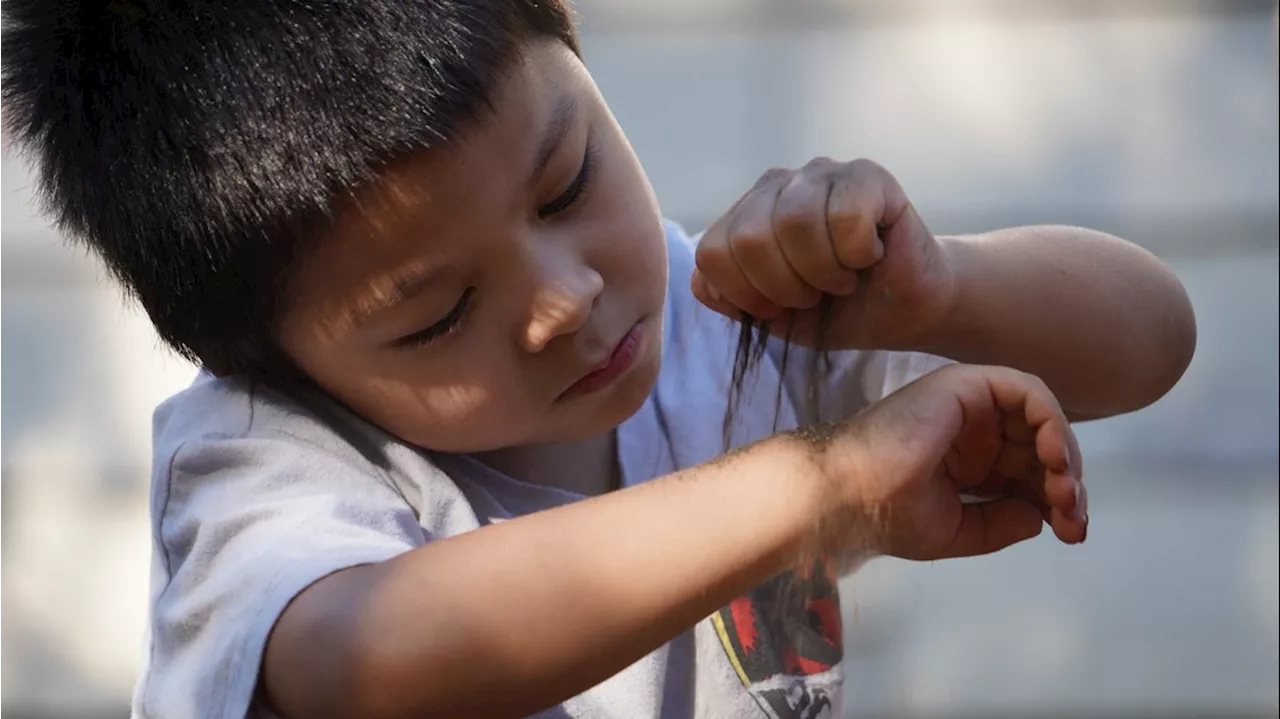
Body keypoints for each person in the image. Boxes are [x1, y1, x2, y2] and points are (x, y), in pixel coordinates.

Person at [0, 1, 1196, 718]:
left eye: (568, 181)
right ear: (263, 356)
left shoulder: (714, 314)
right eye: (435, 315)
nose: (563, 301)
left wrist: (949, 290)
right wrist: (817, 483)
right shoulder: (268, 470)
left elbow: (1149, 339)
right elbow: (366, 657)